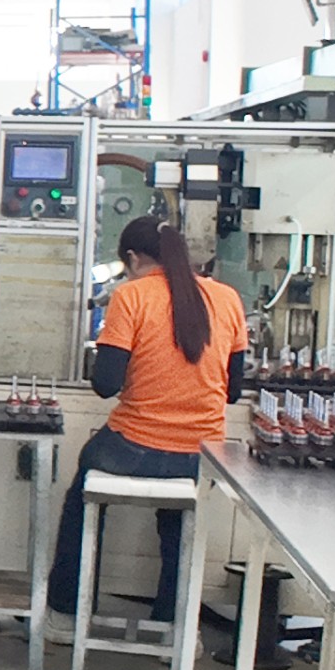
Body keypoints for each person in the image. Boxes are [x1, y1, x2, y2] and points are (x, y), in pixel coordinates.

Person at [43, 214, 248, 623]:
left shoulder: (130, 296)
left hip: (133, 448)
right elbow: (234, 391)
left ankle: (66, 611)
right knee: (179, 525)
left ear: (134, 258)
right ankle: (173, 622)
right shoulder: (227, 298)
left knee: (82, 489)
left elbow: (106, 384)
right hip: (203, 457)